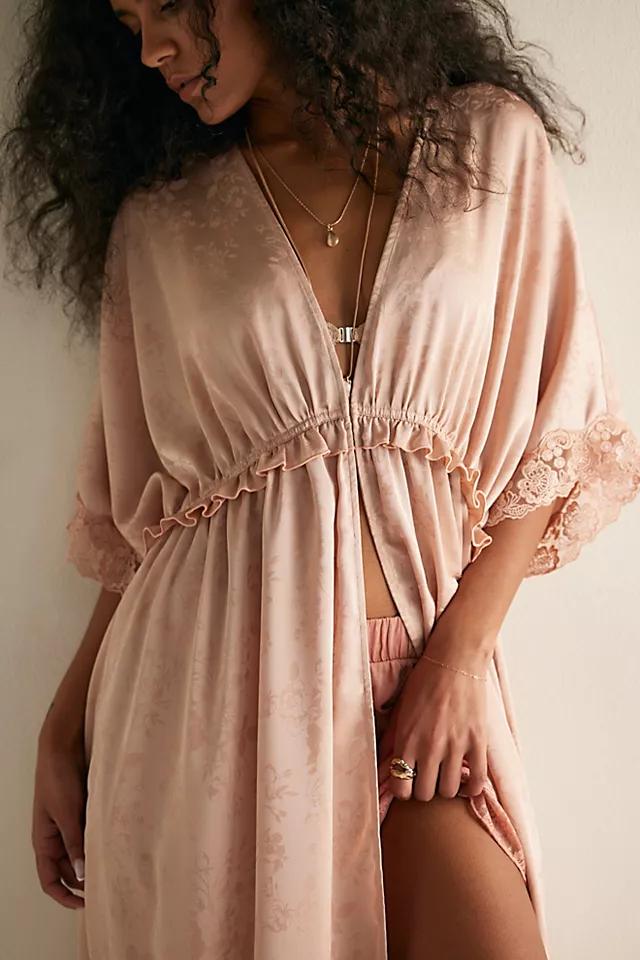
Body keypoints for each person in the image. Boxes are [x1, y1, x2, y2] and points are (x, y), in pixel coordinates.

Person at [2, 1, 638, 958]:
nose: (153, 48)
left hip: (423, 680)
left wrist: (459, 660)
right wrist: (63, 723)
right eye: (128, 22)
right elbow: (145, 516)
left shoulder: (488, 148)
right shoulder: (161, 221)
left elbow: (561, 427)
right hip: (207, 701)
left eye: (171, 3)